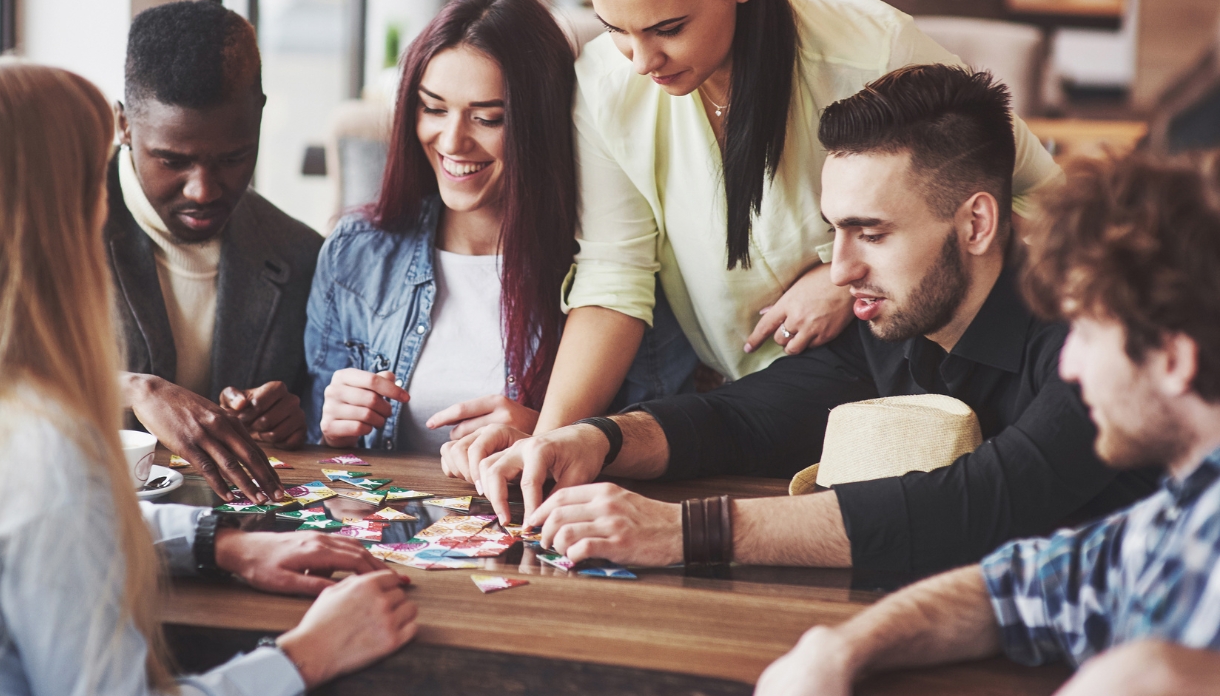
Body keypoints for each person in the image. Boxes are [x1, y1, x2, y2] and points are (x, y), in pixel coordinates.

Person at [0, 60, 419, 696]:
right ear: (57, 216)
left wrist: (217, 543)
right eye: (95, 181)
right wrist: (307, 655)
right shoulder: (44, 447)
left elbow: (17, 535)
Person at [443, 0, 1065, 475]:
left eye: (667, 28)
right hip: (733, 415)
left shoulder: (871, 51)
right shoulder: (605, 87)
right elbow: (613, 284)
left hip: (890, 407)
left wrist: (836, 276)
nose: (641, 61)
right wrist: (550, 444)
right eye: (615, 29)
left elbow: (1039, 197)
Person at [478, 65, 1156, 576]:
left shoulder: (1094, 341)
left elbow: (980, 506)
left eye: (873, 233)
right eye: (835, 231)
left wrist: (684, 532)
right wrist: (596, 440)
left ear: (976, 222)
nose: (839, 271)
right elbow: (743, 419)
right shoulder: (895, 326)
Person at [736, 151, 1220, 696]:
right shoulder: (1173, 520)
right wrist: (836, 648)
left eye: (1088, 335)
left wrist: (1155, 674)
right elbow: (1008, 588)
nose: (1068, 362)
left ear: (1173, 361)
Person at [307, 0, 698, 460]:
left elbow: (673, 442)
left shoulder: (615, 267)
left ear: (542, 124)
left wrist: (551, 436)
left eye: (488, 118)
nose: (452, 140)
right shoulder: (355, 252)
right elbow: (318, 446)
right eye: (433, 108)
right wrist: (333, 428)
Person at [110, 0, 322, 501]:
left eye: (232, 158)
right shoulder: (53, 232)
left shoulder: (299, 255)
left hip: (242, 549)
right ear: (123, 125)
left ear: (260, 116)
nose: (203, 190)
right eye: (172, 160)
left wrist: (291, 422)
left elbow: (315, 431)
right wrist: (136, 389)